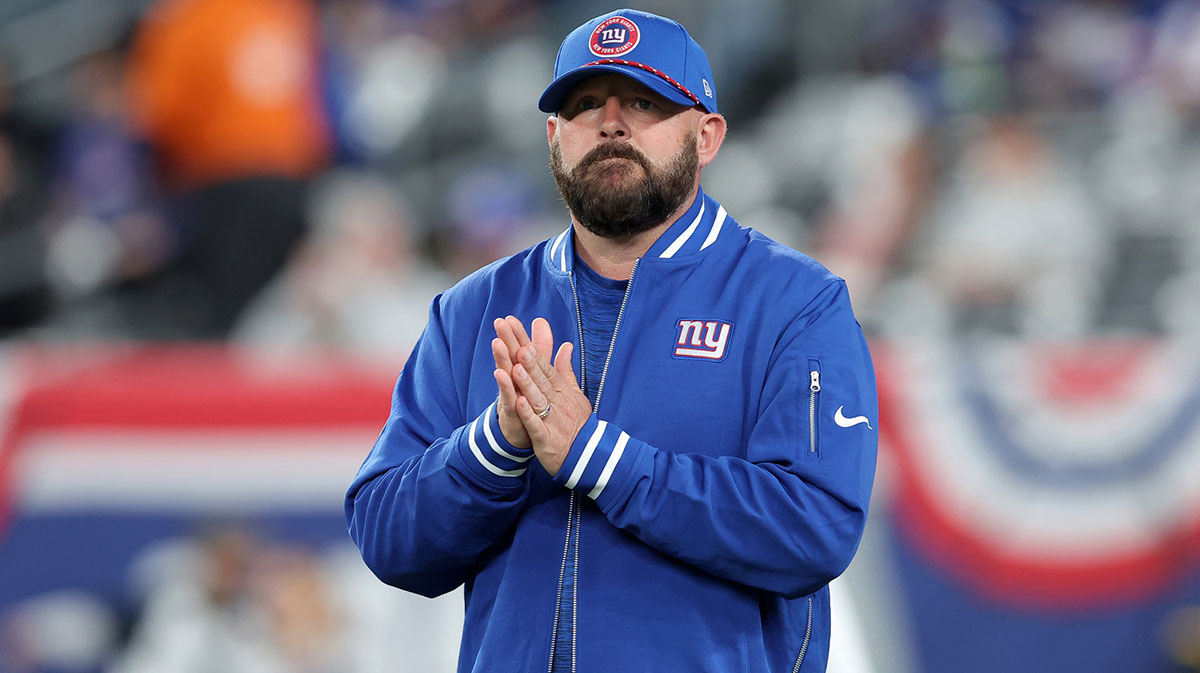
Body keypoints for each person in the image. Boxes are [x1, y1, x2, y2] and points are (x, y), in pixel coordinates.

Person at [345, 9, 877, 673]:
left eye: (645, 101)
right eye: (585, 104)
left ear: (707, 136)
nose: (611, 122)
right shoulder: (474, 309)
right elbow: (388, 540)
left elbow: (814, 527)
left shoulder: (792, 302)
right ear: (553, 136)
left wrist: (597, 455)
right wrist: (494, 446)